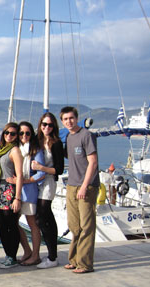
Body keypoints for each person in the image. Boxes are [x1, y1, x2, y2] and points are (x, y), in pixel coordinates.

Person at [61, 106, 99, 273]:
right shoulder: (69, 137)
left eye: (71, 118)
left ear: (76, 118)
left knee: (87, 226)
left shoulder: (87, 136)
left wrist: (84, 186)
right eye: (65, 119)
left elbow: (93, 162)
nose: (69, 121)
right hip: (71, 185)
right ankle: (74, 260)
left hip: (86, 187)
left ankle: (85, 264)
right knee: (74, 226)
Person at [31, 112, 64, 269]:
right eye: (44, 124)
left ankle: (52, 257)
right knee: (43, 218)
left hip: (48, 182)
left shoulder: (56, 143)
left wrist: (41, 168)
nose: (47, 127)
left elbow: (59, 169)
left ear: (54, 126)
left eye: (50, 125)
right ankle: (52, 254)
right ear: (40, 125)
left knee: (44, 216)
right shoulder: (36, 141)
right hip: (36, 183)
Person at [11, 121, 46, 266]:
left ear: (31, 134)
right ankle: (27, 250)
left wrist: (26, 180)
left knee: (32, 224)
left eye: (27, 133)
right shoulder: (16, 149)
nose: (24, 136)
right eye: (21, 133)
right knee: (14, 223)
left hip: (29, 191)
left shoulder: (35, 151)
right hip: (16, 191)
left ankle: (36, 255)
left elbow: (41, 173)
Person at [0, 122, 23, 269]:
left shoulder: (15, 150)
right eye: (6, 133)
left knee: (11, 225)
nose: (9, 136)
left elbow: (20, 174)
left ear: (17, 136)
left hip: (9, 190)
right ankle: (8, 255)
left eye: (13, 133)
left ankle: (12, 257)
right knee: (2, 226)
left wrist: (17, 198)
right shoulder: (0, 149)